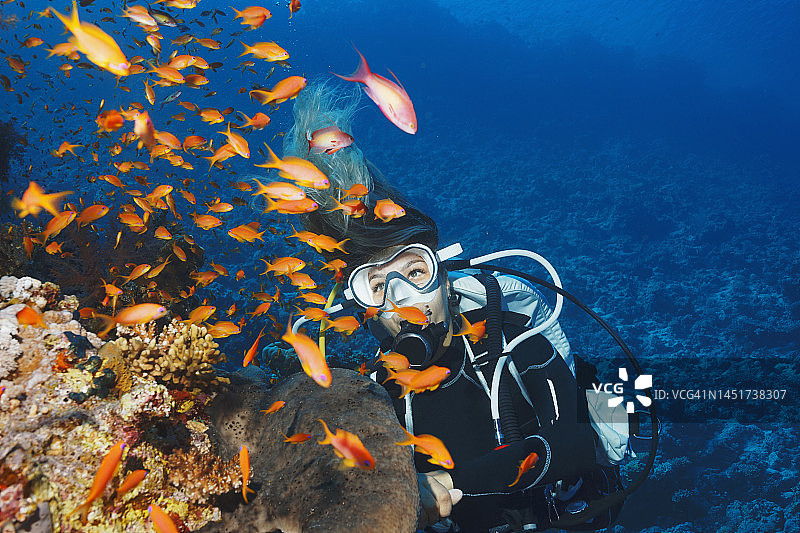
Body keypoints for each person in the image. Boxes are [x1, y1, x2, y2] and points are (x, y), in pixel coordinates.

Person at [278, 81, 629, 532]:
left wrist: (444, 482)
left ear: (445, 276)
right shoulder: (374, 391)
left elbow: (575, 444)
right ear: (358, 305)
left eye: (416, 271)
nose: (404, 298)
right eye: (377, 286)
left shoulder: (510, 334)